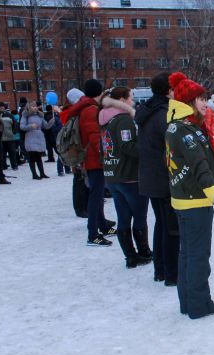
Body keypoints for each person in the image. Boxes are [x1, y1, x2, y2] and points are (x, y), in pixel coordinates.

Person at [166, 72, 214, 319]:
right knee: (198, 255)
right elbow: (200, 166)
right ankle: (199, 304)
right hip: (195, 200)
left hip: (186, 198)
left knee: (188, 254)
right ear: (187, 102)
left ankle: (187, 302)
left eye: (204, 98)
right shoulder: (185, 130)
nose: (204, 103)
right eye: (199, 99)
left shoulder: (182, 125)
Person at [99, 86, 152, 268]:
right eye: (130, 98)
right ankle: (143, 252)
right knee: (139, 216)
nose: (132, 101)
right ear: (122, 100)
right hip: (129, 176)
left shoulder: (106, 119)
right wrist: (148, 149)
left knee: (123, 217)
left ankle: (130, 256)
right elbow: (128, 146)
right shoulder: (123, 120)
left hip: (113, 175)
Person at [136, 72, 179, 284]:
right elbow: (171, 148)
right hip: (163, 178)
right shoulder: (164, 113)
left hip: (151, 176)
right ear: (169, 91)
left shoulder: (149, 109)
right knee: (170, 227)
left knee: (162, 223)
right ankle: (170, 273)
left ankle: (161, 269)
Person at [69, 79, 116, 246]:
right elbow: (95, 136)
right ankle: (92, 234)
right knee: (96, 195)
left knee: (97, 193)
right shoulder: (90, 110)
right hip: (94, 159)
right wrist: (105, 155)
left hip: (93, 157)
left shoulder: (88, 107)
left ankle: (102, 226)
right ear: (99, 92)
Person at [61, 88, 89, 218]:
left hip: (77, 147)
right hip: (75, 148)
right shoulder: (70, 113)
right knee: (79, 179)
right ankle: (80, 207)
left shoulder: (71, 112)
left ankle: (83, 206)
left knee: (81, 179)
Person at [20, 100, 54, 180]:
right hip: (30, 136)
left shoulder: (40, 115)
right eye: (32, 106)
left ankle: (42, 173)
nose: (35, 107)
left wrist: (51, 122)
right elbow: (22, 126)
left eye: (35, 106)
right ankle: (34, 174)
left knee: (39, 156)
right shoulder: (25, 115)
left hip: (39, 136)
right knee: (32, 156)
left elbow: (45, 126)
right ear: (29, 107)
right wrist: (30, 126)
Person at [0, 102, 19, 171]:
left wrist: (13, 132)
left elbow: (14, 124)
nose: (1, 108)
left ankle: (14, 165)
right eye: (0, 107)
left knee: (12, 152)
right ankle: (3, 165)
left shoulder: (9, 115)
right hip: (0, 138)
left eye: (2, 107)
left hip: (10, 137)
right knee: (2, 153)